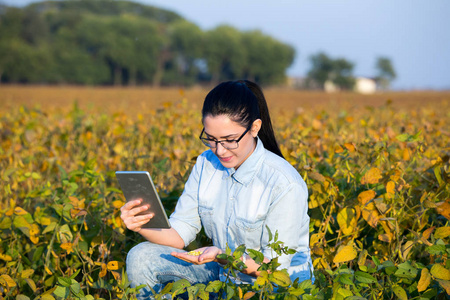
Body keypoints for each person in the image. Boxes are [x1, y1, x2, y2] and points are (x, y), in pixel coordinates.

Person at [121, 80, 313, 298]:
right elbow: (179, 234)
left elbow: (273, 270)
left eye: (230, 140)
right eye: (211, 139)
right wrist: (140, 224)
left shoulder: (284, 183)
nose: (220, 151)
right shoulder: (206, 163)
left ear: (254, 128)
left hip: (274, 288)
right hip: (225, 276)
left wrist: (223, 255)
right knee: (140, 256)